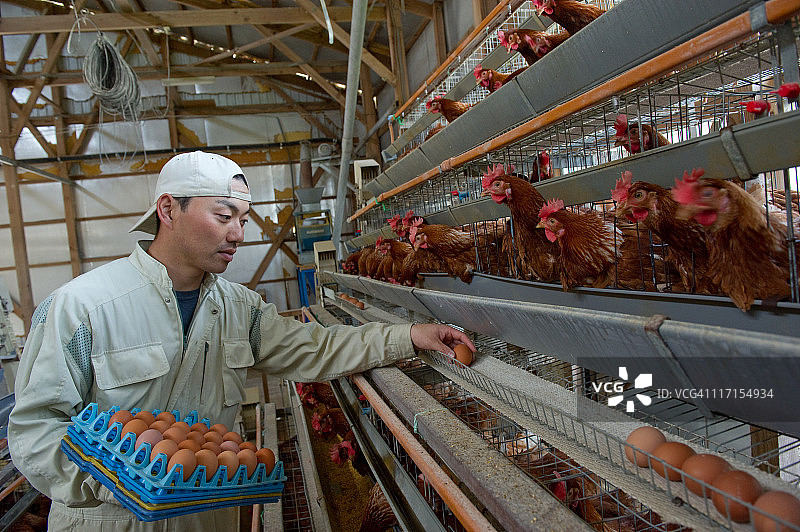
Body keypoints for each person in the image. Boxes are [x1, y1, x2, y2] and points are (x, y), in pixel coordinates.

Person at [8, 151, 474, 531]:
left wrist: (409, 335)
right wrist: (119, 480)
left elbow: (316, 348)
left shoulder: (238, 308)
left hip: (207, 519)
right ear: (169, 210)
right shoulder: (82, 309)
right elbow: (34, 431)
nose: (239, 234)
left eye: (244, 219)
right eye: (223, 215)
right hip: (112, 522)